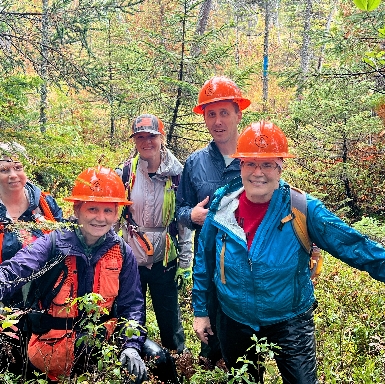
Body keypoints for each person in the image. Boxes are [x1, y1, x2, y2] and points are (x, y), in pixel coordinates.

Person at [192, 120, 385, 384]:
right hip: (234, 318)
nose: (258, 172)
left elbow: (353, 245)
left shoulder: (302, 209)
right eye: (250, 163)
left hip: (289, 318)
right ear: (241, 165)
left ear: (280, 166)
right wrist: (201, 311)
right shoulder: (221, 208)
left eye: (267, 164)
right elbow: (204, 261)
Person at [0, 166, 149, 383]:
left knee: (158, 359)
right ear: (77, 210)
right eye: (92, 209)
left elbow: (132, 305)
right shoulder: (52, 243)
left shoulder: (122, 251)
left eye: (108, 211)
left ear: (117, 214)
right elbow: (15, 270)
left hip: (100, 345)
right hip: (51, 349)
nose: (100, 218)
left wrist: (132, 346)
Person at [176, 75, 250, 364]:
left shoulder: (253, 159)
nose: (218, 121)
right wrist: (190, 215)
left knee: (243, 340)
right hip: (207, 259)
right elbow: (180, 210)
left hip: (245, 261)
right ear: (204, 118)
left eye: (224, 113)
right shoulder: (195, 162)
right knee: (210, 338)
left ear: (237, 114)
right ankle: (211, 361)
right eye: (211, 114)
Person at [118, 113, 193, 355]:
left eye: (151, 136)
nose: (146, 142)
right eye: (140, 137)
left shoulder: (178, 174)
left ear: (161, 137)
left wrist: (185, 262)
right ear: (134, 141)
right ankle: (133, 360)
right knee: (131, 314)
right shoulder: (125, 173)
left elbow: (183, 222)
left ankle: (177, 360)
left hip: (165, 259)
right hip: (131, 258)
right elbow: (112, 216)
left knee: (169, 316)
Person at [0, 141, 62, 375]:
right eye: (4, 170)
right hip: (6, 299)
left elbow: (62, 244)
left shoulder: (44, 204)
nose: (13, 175)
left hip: (46, 299)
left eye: (17, 167)